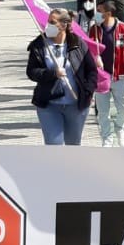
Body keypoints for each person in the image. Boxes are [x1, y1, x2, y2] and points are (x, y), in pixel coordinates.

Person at [27, 8, 99, 145]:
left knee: (73, 144)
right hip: (49, 104)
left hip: (76, 105)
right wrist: (52, 73)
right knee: (54, 144)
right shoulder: (39, 44)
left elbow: (92, 71)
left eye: (52, 22)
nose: (47, 25)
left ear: (64, 25)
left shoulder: (78, 44)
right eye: (48, 21)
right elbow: (31, 71)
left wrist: (88, 92)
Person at [92, 0, 124, 146]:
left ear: (109, 13)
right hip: (101, 77)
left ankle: (120, 128)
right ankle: (107, 137)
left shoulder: (123, 28)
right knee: (103, 110)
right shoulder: (94, 29)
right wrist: (95, 58)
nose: (97, 14)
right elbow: (88, 49)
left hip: (120, 76)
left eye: (100, 11)